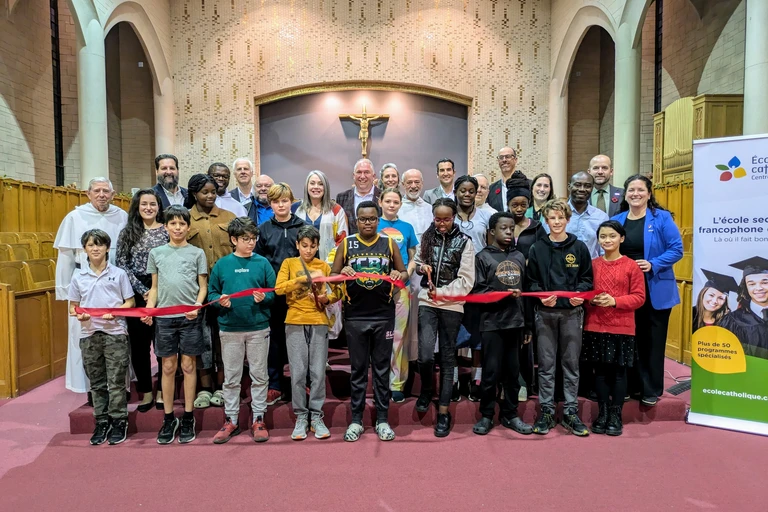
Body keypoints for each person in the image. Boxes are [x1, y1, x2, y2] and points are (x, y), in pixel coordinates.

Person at [331, 201, 407, 442]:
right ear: (356, 220)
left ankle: (382, 420)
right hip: (355, 317)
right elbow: (332, 276)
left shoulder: (388, 242)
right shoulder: (347, 243)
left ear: (378, 219)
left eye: (372, 219)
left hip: (383, 315)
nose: (368, 223)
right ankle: (356, 420)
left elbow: (404, 273)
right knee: (358, 371)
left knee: (382, 370)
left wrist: (398, 274)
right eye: (363, 219)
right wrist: (343, 272)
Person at [613, 174, 682, 406]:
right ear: (625, 194)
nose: (635, 194)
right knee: (629, 339)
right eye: (631, 190)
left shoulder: (661, 218)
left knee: (652, 340)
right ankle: (630, 386)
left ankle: (650, 389)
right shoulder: (618, 219)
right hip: (626, 291)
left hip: (655, 288)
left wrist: (653, 263)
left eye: (640, 190)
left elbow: (677, 249)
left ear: (649, 194)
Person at [54, 177, 128, 395]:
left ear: (113, 194)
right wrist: (65, 291)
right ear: (88, 193)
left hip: (114, 282)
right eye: (97, 190)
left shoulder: (121, 215)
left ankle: (119, 386)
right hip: (84, 284)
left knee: (117, 334)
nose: (102, 194)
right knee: (86, 336)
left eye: (106, 190)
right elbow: (66, 257)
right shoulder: (75, 217)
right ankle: (89, 386)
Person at [142, 205, 208, 445]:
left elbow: (202, 287)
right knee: (168, 367)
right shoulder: (157, 253)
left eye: (182, 224)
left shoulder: (197, 253)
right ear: (166, 226)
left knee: (189, 366)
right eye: (173, 224)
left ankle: (189, 416)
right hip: (165, 319)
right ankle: (169, 417)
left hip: (190, 318)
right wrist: (150, 309)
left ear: (188, 227)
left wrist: (197, 306)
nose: (178, 228)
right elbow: (155, 288)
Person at [527, 198, 593, 436]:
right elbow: (531, 281)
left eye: (560, 218)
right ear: (546, 221)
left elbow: (587, 278)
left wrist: (580, 296)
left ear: (568, 219)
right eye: (552, 218)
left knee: (571, 364)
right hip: (545, 313)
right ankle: (546, 410)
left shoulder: (579, 247)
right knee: (546, 365)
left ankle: (570, 411)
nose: (556, 222)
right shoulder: (537, 248)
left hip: (572, 314)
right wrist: (540, 296)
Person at [208, 217, 275, 444]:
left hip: (258, 328)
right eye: (245, 239)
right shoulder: (222, 265)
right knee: (232, 377)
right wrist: (220, 301)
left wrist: (265, 297)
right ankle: (231, 419)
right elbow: (212, 294)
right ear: (233, 239)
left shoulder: (263, 263)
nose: (251, 243)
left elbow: (274, 293)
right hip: (230, 329)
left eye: (253, 238)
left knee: (259, 375)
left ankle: (258, 418)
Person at [413, 198, 475, 437]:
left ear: (454, 217)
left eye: (446, 219)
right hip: (427, 302)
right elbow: (418, 262)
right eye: (437, 219)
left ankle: (443, 412)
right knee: (426, 353)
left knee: (449, 357)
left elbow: (467, 280)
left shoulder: (465, 242)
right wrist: (421, 268)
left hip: (452, 305)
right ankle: (427, 390)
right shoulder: (427, 237)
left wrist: (443, 292)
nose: (441, 224)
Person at [68, 229, 135, 445]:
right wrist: (80, 314)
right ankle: (101, 421)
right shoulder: (79, 276)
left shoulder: (119, 274)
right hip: (89, 333)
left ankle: (118, 421)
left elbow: (130, 303)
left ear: (107, 248)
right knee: (96, 382)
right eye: (90, 245)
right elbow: (73, 307)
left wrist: (115, 311)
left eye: (99, 245)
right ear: (85, 249)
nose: (95, 249)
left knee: (116, 381)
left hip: (115, 332)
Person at [471, 212, 533, 436]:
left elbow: (525, 293)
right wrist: (503, 294)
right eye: (503, 229)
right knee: (491, 372)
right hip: (492, 323)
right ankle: (486, 415)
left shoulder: (518, 256)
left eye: (511, 229)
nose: (508, 232)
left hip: (515, 323)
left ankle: (510, 414)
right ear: (492, 232)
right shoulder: (483, 257)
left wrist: (527, 325)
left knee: (512, 372)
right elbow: (477, 290)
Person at [275, 225, 339, 440]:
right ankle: (301, 415)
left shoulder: (324, 265)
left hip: (319, 321)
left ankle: (317, 416)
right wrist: (299, 281)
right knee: (298, 371)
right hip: (294, 320)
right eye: (304, 246)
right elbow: (278, 288)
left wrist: (326, 299)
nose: (308, 250)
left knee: (318, 371)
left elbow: (339, 290)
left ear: (318, 246)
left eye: (312, 246)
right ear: (297, 245)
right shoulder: (289, 263)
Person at [582, 221, 646, 436]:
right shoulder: (592, 264)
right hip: (595, 325)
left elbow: (639, 297)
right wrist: (591, 301)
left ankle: (616, 414)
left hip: (622, 327)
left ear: (621, 238)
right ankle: (603, 412)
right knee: (599, 374)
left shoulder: (631, 266)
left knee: (619, 374)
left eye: (611, 236)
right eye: (602, 236)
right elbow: (584, 294)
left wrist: (614, 301)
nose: (607, 240)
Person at [185, 174, 237, 409]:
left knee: (224, 338)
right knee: (203, 339)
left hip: (226, 289)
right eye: (204, 192)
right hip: (198, 291)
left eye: (213, 192)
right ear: (194, 193)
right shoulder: (185, 220)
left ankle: (224, 386)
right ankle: (205, 389)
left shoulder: (229, 217)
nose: (209, 196)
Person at [116, 188, 169, 412]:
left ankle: (162, 392)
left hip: (165, 293)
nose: (149, 208)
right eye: (144, 204)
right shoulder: (127, 232)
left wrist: (156, 292)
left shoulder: (167, 231)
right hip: (136, 294)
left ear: (159, 207)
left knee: (163, 345)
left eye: (153, 204)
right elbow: (121, 264)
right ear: (137, 207)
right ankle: (147, 391)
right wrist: (143, 290)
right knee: (139, 346)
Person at [256, 183, 307, 404]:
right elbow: (259, 260)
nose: (281, 205)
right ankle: (275, 383)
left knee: (299, 340)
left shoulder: (302, 227)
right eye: (276, 201)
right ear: (271, 204)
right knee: (275, 340)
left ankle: (301, 381)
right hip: (275, 294)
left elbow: (310, 256)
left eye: (285, 201)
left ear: (291, 201)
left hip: (298, 294)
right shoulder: (264, 229)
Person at [506, 175, 547, 401]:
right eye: (514, 204)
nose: (519, 208)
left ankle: (524, 382)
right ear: (508, 204)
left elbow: (541, 255)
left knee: (526, 336)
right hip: (506, 289)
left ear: (529, 203)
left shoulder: (537, 227)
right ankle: (508, 382)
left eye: (523, 204)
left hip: (528, 290)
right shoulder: (502, 224)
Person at [378, 188, 418, 403]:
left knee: (398, 335)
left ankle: (397, 383)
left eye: (396, 202)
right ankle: (379, 379)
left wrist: (406, 275)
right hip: (376, 289)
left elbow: (413, 257)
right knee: (378, 335)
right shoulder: (373, 224)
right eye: (388, 201)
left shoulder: (407, 227)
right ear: (381, 202)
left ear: (400, 204)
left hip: (401, 287)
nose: (392, 205)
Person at [453, 174, 491, 400]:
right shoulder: (448, 216)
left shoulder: (486, 217)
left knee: (477, 335)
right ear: (456, 192)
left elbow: (488, 246)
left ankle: (476, 380)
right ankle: (455, 380)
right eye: (463, 191)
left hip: (479, 283)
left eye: (471, 191)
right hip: (454, 282)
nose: (467, 195)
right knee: (455, 333)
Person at [399, 168, 434, 364]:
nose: (413, 186)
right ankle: (407, 357)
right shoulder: (398, 208)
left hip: (426, 268)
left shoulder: (429, 208)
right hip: (406, 269)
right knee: (407, 316)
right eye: (409, 182)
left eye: (417, 182)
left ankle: (424, 357)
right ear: (403, 185)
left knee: (424, 313)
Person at [292, 170, 348, 262]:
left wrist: (330, 262)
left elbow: (342, 241)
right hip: (300, 265)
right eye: (312, 183)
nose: (316, 187)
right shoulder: (295, 209)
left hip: (328, 265)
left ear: (325, 187)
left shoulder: (336, 210)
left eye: (320, 184)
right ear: (307, 186)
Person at [553, 172, 609, 259]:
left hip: (592, 269)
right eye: (577, 185)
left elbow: (604, 250)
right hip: (561, 269)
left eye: (587, 186)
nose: (582, 189)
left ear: (592, 188)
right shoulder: (555, 215)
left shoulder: (601, 217)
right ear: (569, 187)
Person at [720, 257, 768, 359]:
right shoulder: (733, 321)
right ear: (745, 287)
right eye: (752, 284)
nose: (759, 288)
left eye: (765, 282)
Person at [336, 158, 381, 234]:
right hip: (350, 244)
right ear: (354, 176)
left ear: (373, 176)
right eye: (359, 172)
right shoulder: (342, 198)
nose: (362, 176)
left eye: (366, 172)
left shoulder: (383, 197)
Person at [487, 147, 530, 211]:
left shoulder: (528, 185)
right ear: (498, 161)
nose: (504, 160)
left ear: (515, 160)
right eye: (501, 157)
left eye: (508, 156)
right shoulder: (491, 189)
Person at [229, 157, 260, 224]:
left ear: (251, 173)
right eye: (239, 169)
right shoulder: (229, 197)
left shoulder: (260, 195)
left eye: (246, 169)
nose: (243, 172)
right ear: (234, 174)